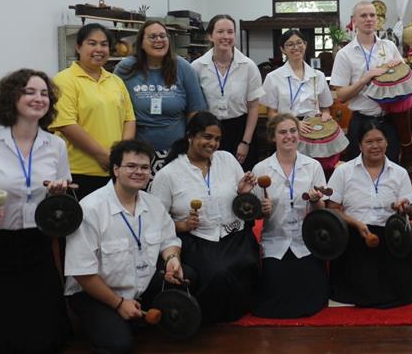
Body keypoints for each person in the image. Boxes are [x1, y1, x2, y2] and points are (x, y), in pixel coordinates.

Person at [0, 69, 73, 353]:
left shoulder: (56, 145)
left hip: (37, 245)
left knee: (42, 337)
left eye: (44, 93)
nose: (38, 98)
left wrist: (57, 194)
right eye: (29, 92)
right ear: (11, 98)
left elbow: (60, 199)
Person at [65, 140, 190, 353]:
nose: (139, 172)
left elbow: (169, 241)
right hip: (96, 293)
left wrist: (172, 259)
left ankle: (132, 317)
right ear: (116, 169)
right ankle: (115, 320)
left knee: (188, 276)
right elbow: (82, 273)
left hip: (140, 285)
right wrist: (118, 303)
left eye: (144, 167)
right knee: (119, 346)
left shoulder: (154, 204)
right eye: (131, 166)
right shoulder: (90, 209)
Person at [150, 111, 261, 323]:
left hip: (234, 234)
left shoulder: (227, 159)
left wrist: (242, 193)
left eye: (217, 139)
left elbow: (244, 206)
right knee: (218, 272)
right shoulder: (168, 174)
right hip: (197, 240)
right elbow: (155, 222)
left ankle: (239, 308)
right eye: (207, 137)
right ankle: (209, 317)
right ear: (190, 136)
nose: (213, 144)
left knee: (247, 262)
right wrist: (182, 225)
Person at [327, 121, 412, 307]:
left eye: (379, 140)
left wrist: (404, 207)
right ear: (360, 145)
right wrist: (356, 223)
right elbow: (332, 208)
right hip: (355, 234)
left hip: (391, 236)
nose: (375, 146)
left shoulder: (399, 173)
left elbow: (411, 209)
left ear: (387, 142)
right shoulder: (344, 171)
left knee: (403, 288)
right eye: (369, 142)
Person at [250, 113, 329, 318]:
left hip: (306, 241)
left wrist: (315, 201)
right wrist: (262, 210)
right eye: (282, 132)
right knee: (277, 294)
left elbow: (321, 211)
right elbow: (255, 214)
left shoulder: (313, 166)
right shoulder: (261, 169)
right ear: (273, 137)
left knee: (310, 293)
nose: (289, 136)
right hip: (276, 240)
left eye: (293, 131)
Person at [51, 23, 136, 198]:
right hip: (79, 172)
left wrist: (121, 155)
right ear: (78, 47)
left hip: (115, 170)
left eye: (104, 44)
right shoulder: (64, 80)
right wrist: (102, 155)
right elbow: (66, 124)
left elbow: (129, 119)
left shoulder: (115, 81)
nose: (99, 49)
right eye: (92, 43)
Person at [114, 20, 206, 172]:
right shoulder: (125, 69)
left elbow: (195, 111)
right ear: (141, 43)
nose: (158, 40)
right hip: (137, 155)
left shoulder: (183, 68)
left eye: (163, 36)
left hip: (176, 153)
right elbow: (114, 109)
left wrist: (191, 145)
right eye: (152, 37)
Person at [330, 1, 404, 162]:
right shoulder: (345, 54)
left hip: (388, 120)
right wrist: (365, 79)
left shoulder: (389, 47)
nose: (369, 19)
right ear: (354, 21)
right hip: (361, 120)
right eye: (363, 15)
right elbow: (341, 96)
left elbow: (404, 82)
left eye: (372, 15)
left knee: (391, 168)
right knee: (357, 170)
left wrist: (398, 70)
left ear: (377, 19)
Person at [261, 29, 341, 172]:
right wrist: (295, 123)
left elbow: (325, 107)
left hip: (314, 130)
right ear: (282, 49)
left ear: (305, 45)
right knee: (291, 169)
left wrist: (325, 115)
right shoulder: (273, 77)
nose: (296, 47)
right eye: (290, 44)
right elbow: (271, 113)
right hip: (287, 130)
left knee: (314, 169)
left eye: (299, 43)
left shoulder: (318, 76)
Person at [191, 14, 264, 170]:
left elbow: (253, 107)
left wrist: (245, 142)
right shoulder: (197, 67)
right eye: (220, 32)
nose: (226, 36)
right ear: (210, 36)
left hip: (240, 130)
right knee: (209, 174)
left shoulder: (248, 66)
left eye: (230, 32)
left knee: (241, 177)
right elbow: (193, 106)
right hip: (208, 131)